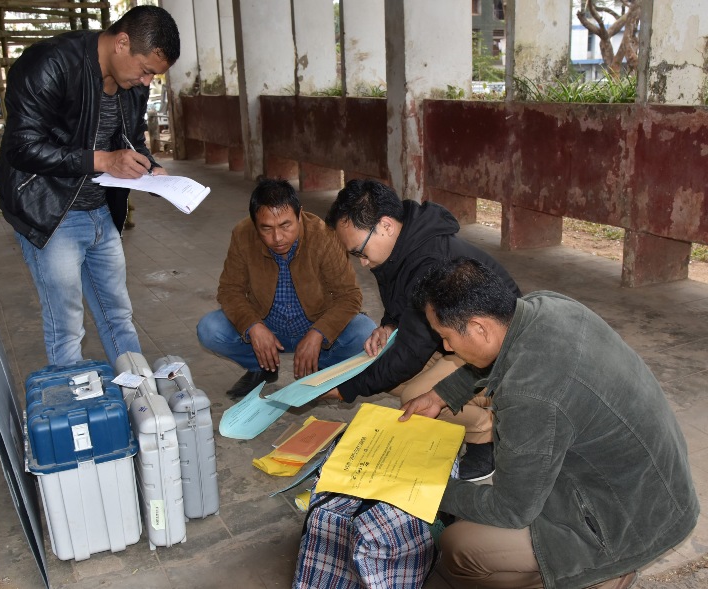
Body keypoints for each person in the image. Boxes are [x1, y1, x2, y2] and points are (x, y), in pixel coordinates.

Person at [402, 258, 699, 589]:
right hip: (656, 487)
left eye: (445, 337)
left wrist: (428, 487)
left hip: (629, 522)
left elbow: (511, 510)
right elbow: (499, 355)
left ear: (479, 328)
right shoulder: (545, 306)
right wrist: (442, 394)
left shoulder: (531, 395)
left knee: (458, 546)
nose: (445, 346)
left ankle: (604, 575)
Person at [0, 6, 180, 367]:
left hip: (101, 212)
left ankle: (139, 404)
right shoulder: (50, 64)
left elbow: (130, 138)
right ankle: (77, 416)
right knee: (66, 327)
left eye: (153, 77)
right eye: (145, 71)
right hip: (50, 213)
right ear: (122, 43)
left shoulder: (131, 83)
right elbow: (22, 147)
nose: (146, 82)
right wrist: (103, 160)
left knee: (118, 317)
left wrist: (152, 169)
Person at [323, 178, 521, 481]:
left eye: (360, 251)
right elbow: (402, 302)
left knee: (414, 395)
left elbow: (410, 354)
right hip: (452, 341)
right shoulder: (396, 247)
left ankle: (484, 429)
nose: (362, 263)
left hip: (495, 353)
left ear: (386, 225)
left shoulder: (429, 259)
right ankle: (473, 408)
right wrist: (389, 324)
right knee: (380, 368)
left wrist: (345, 389)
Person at [197, 177, 377, 399]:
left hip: (315, 323)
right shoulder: (242, 235)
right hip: (267, 326)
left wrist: (318, 333)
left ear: (299, 215)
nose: (277, 238)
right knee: (210, 329)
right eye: (266, 229)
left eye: (285, 225)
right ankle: (261, 367)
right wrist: (253, 326)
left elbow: (349, 296)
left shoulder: (325, 235)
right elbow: (229, 290)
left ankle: (318, 367)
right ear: (254, 224)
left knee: (365, 332)